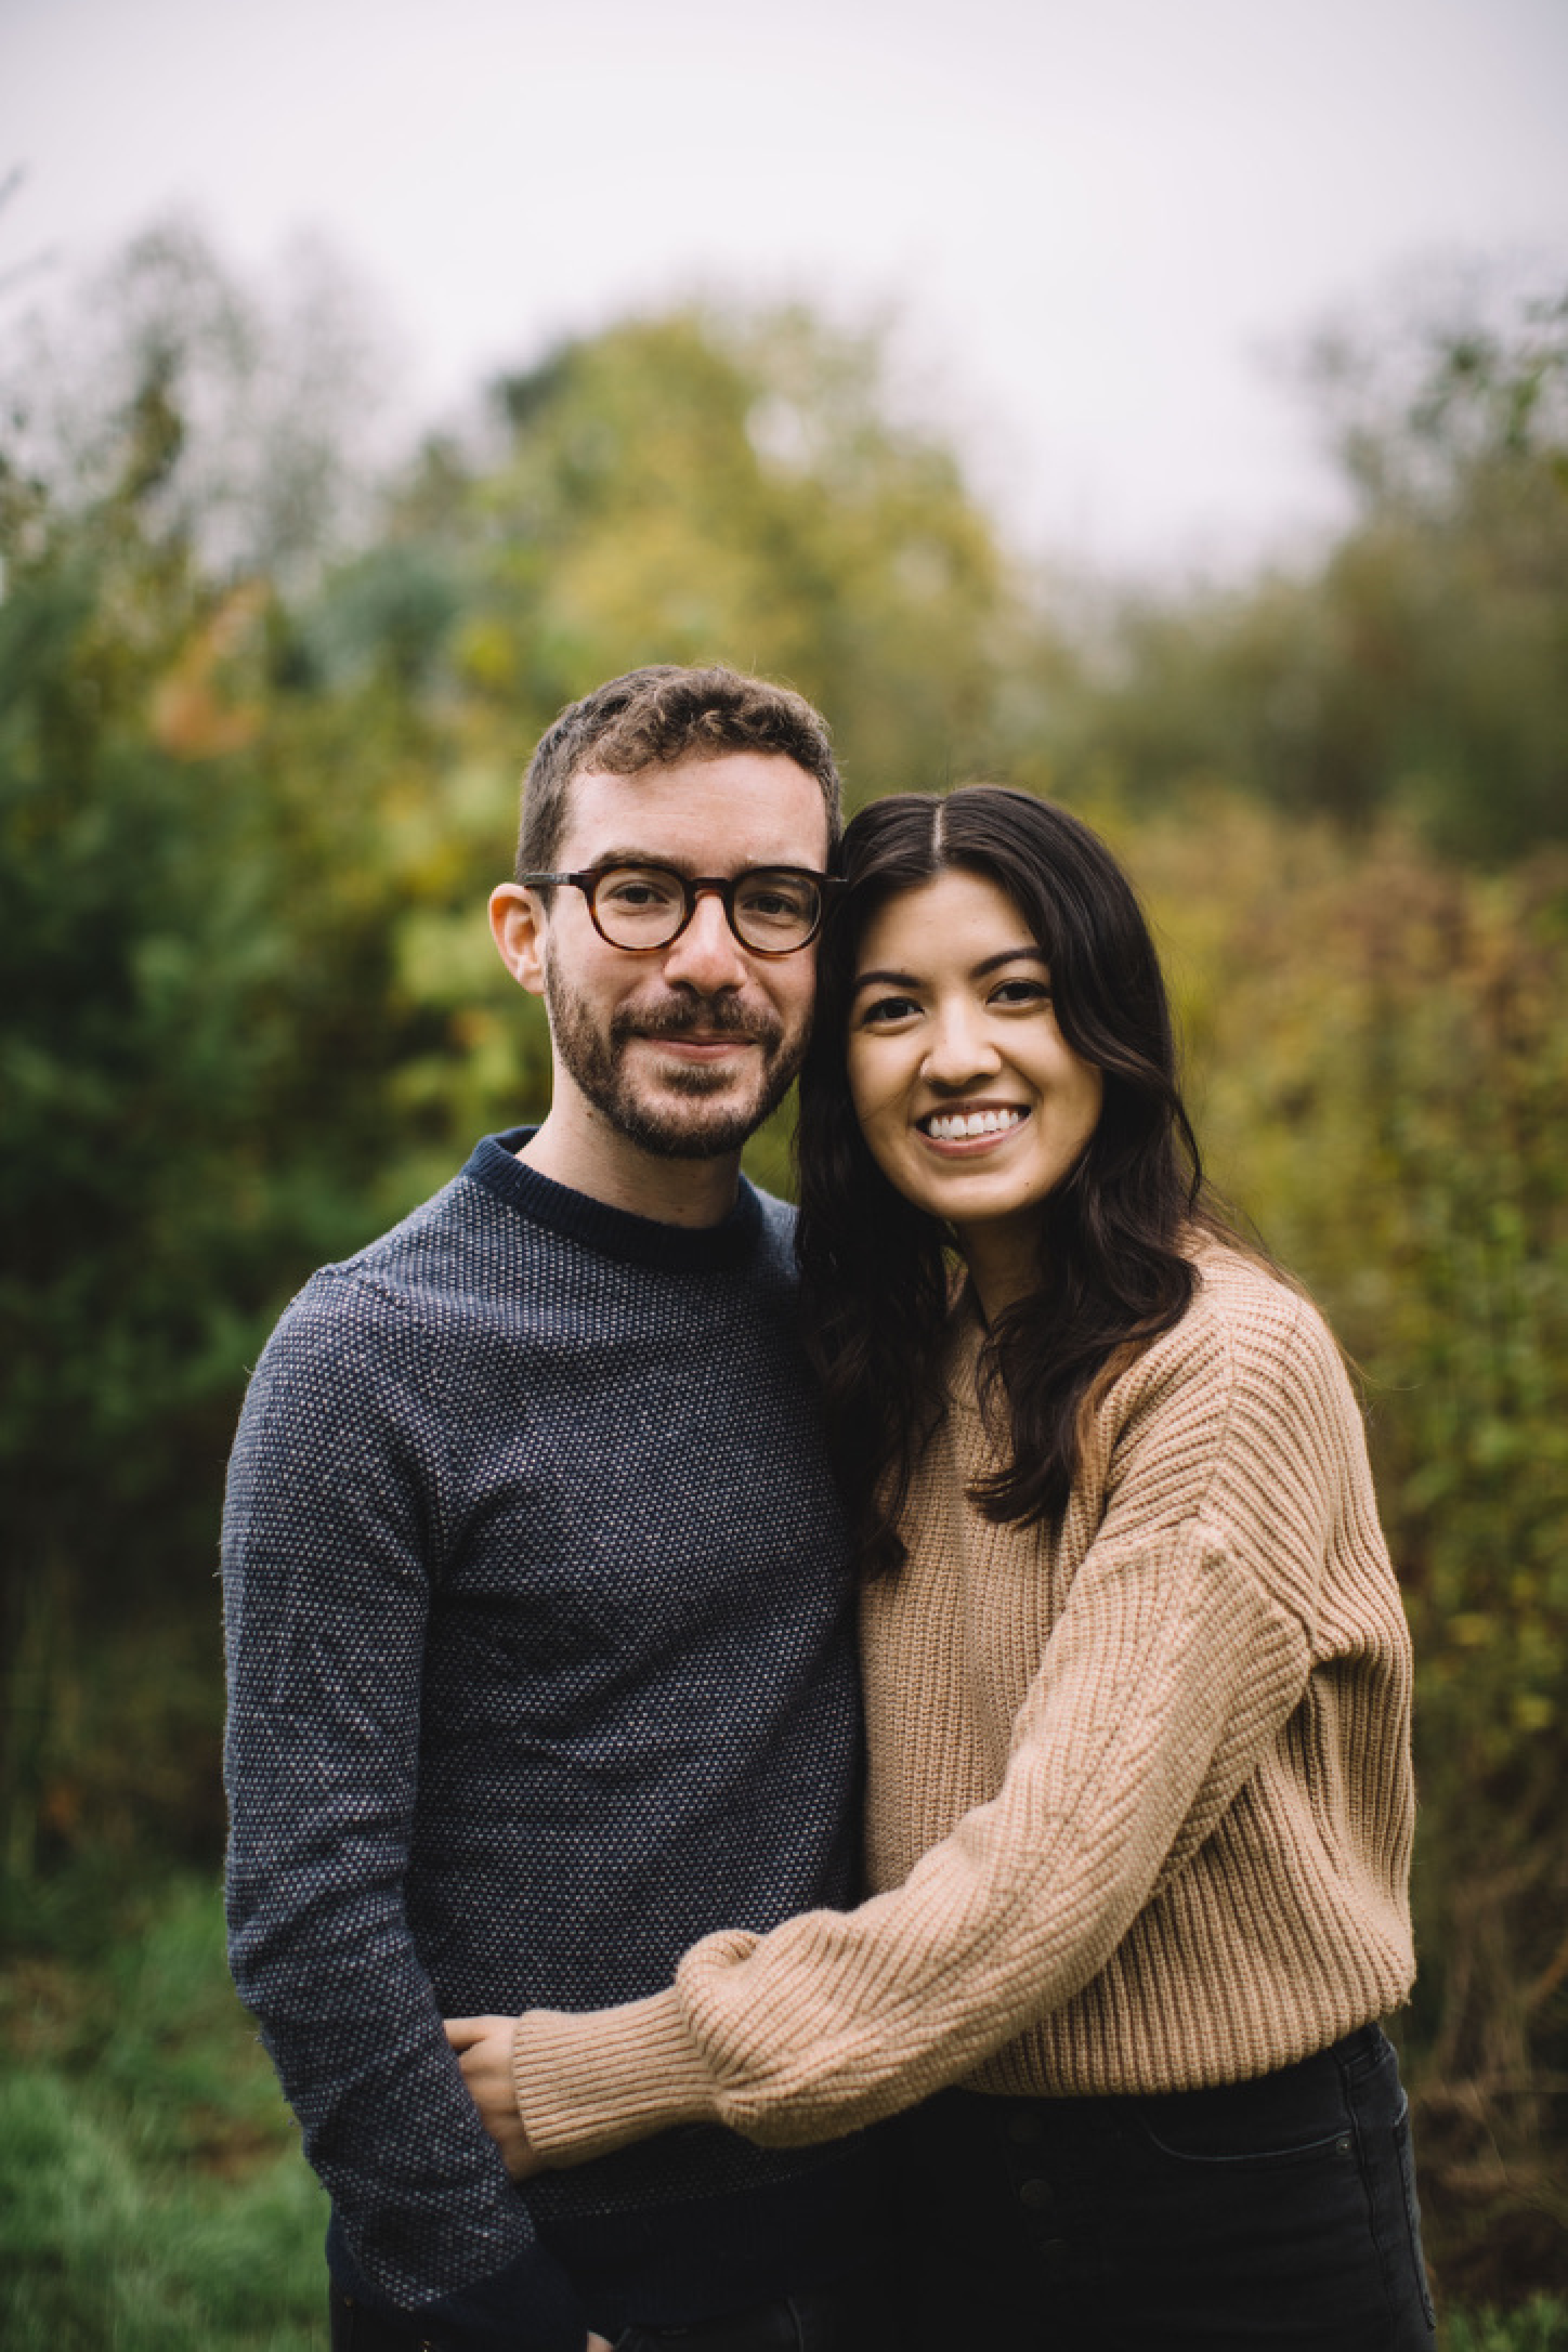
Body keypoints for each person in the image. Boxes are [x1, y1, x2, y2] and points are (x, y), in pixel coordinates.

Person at [448, 785, 1438, 2350]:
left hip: (1224, 2207)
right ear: (838, 1063)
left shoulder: (1226, 1371)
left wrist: (599, 2074)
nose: (956, 1055)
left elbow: (1042, 1889)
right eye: (894, 1007)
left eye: (1018, 994)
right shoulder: (911, 1355)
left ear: (1108, 1027)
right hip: (940, 2172)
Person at [221, 665, 900, 2352]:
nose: (707, 959)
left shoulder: (857, 1314)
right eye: (642, 892)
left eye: (772, 904)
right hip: (536, 2272)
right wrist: (495, 2301)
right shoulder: (370, 1360)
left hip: (879, 2239)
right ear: (529, 934)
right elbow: (309, 1906)